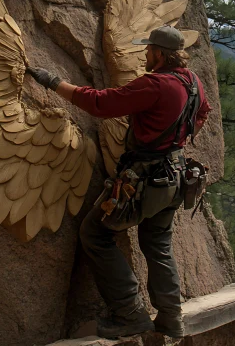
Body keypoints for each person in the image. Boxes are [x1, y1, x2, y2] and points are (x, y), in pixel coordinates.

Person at [26, 25, 211, 339]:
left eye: (149, 49)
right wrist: (175, 138)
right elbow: (203, 113)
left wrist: (56, 83)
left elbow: (102, 104)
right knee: (158, 246)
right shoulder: (193, 81)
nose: (145, 54)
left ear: (160, 53)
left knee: (95, 233)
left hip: (147, 179)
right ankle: (171, 318)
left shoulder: (155, 84)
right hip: (177, 177)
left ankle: (130, 313)